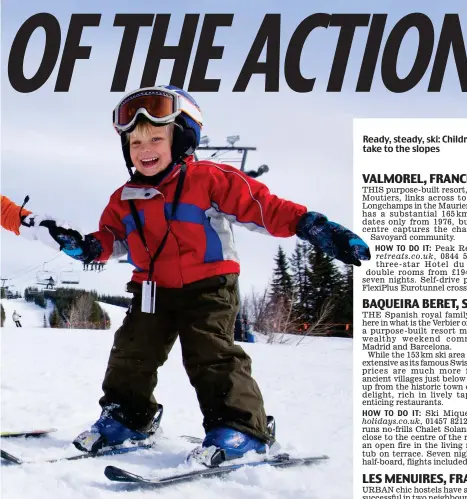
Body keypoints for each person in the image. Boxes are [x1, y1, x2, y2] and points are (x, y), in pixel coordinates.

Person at [19, 85, 371, 464]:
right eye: (135, 142)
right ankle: (128, 417)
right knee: (132, 352)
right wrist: (87, 246)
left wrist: (311, 225)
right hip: (151, 289)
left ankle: (241, 428)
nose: (145, 149)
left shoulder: (209, 179)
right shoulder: (123, 197)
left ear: (183, 138)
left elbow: (264, 207)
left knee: (210, 353)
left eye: (156, 137)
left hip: (209, 287)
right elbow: (111, 239)